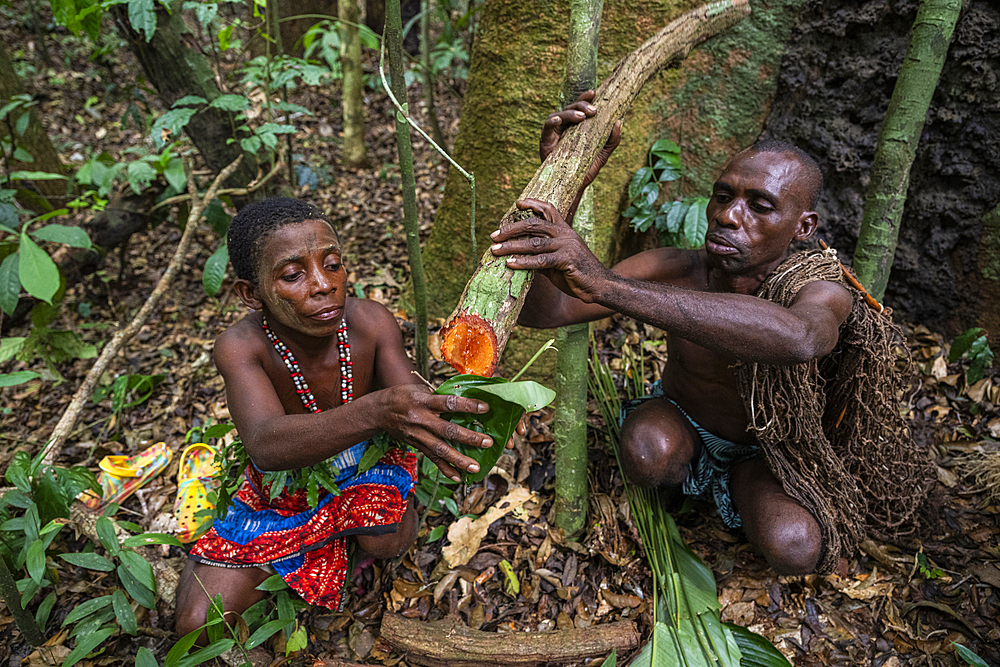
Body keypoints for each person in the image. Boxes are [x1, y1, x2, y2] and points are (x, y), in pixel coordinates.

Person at [490, 95, 929, 575]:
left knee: (795, 547)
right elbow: (547, 311)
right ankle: (685, 480)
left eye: (760, 206)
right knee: (646, 453)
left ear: (803, 226)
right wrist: (562, 181)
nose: (728, 216)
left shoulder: (821, 288)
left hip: (771, 450)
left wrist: (607, 284)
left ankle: (741, 488)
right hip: (684, 420)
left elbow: (801, 338)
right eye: (722, 197)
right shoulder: (676, 268)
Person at [174, 197, 499, 637]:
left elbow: (415, 399)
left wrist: (486, 413)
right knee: (197, 625)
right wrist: (376, 409)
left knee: (384, 538)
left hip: (369, 460)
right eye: (293, 275)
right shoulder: (241, 347)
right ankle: (304, 547)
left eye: (332, 264)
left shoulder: (371, 322)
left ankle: (349, 548)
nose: (323, 284)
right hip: (287, 484)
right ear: (251, 294)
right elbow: (267, 444)